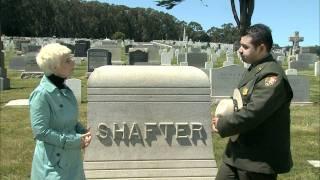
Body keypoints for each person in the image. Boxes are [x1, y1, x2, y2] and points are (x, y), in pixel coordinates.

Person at [212, 24, 293, 180]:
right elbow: (240, 100)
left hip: (258, 158)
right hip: (236, 153)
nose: (240, 50)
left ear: (261, 48)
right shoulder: (255, 69)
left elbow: (254, 112)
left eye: (245, 47)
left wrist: (222, 124)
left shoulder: (272, 76)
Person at [29, 43, 92, 180]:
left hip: (72, 161)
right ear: (54, 67)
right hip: (53, 165)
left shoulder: (64, 90)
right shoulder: (42, 95)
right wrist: (74, 141)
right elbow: (41, 132)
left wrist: (82, 131)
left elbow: (69, 121)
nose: (73, 62)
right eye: (67, 60)